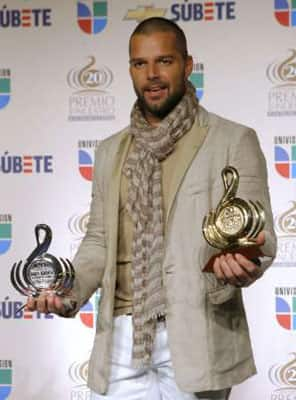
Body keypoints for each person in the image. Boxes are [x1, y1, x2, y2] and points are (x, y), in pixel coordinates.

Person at [27, 17, 277, 400]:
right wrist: (67, 290)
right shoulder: (111, 151)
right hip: (122, 341)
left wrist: (241, 265)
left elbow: (258, 237)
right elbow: (98, 240)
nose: (152, 75)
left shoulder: (232, 140)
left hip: (197, 335)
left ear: (188, 65)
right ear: (130, 69)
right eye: (140, 64)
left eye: (165, 61)